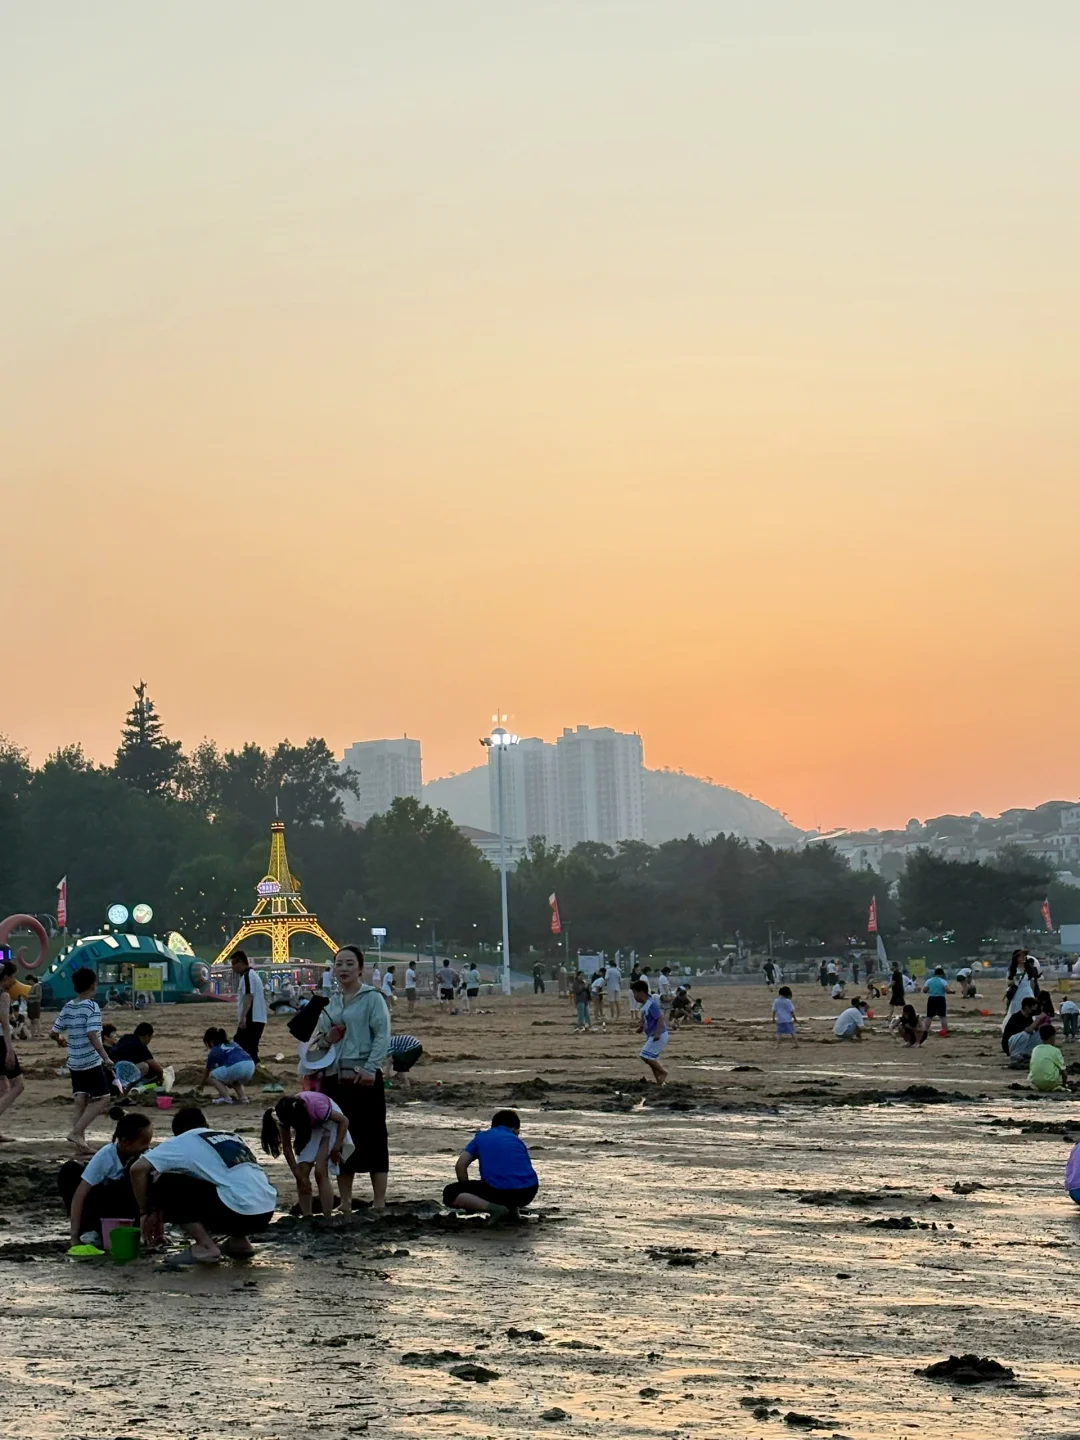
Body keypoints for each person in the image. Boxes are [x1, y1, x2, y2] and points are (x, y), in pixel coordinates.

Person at [130, 1106, 277, 1266]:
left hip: (237, 1212)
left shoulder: (183, 1140)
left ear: (180, 1131)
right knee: (225, 1181)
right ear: (205, 1125)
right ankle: (239, 1242)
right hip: (265, 1212)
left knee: (166, 1181)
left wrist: (145, 1211)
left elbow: (137, 1169)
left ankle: (205, 1246)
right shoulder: (231, 1136)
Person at [313, 945, 391, 1213]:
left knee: (374, 1137)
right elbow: (318, 1042)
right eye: (338, 964)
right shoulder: (331, 1003)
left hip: (365, 1077)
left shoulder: (372, 998)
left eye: (349, 963)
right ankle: (345, 1201)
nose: (343, 968)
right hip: (336, 1078)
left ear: (360, 968)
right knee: (342, 1139)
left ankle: (379, 1201)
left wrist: (372, 1068)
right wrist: (329, 1038)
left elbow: (382, 1035)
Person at [59, 1109, 154, 1247]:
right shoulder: (105, 1156)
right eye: (143, 1143)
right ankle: (91, 1230)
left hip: (130, 1209)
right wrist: (74, 1237)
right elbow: (80, 1195)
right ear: (125, 1142)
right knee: (70, 1170)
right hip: (102, 1208)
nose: (147, 1147)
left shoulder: (143, 1158)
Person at [51, 966, 115, 1153]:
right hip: (89, 1061)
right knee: (103, 1098)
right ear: (93, 985)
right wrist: (106, 1057)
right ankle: (77, 1132)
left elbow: (54, 1032)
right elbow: (92, 1034)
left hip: (74, 1061)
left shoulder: (69, 1006)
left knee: (81, 1099)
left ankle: (80, 1145)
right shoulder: (92, 1006)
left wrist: (60, 1040)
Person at [261, 1092, 352, 1218]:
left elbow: (344, 1121)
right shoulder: (285, 1115)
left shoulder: (318, 1108)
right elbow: (287, 1147)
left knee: (320, 1170)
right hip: (308, 1127)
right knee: (302, 1171)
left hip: (329, 1124)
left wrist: (336, 1148)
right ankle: (307, 1215)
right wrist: (298, 1176)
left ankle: (327, 1215)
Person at [442, 1109, 538, 1221]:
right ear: (515, 1130)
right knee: (509, 1180)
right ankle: (513, 1213)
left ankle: (494, 1208)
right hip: (529, 1191)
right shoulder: (517, 1141)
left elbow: (460, 1166)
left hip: (500, 1192)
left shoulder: (481, 1138)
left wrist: (466, 1192)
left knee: (450, 1193)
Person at [0, 963, 26, 1142]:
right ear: (5, 977)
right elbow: (4, 1022)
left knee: (3, 1088)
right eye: (13, 977)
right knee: (18, 1085)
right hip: (0, 1042)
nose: (14, 981)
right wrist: (9, 1048)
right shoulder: (3, 995)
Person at [200, 1027, 256, 1104]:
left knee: (212, 1076)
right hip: (250, 1065)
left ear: (211, 1041)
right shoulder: (234, 1044)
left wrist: (201, 1085)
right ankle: (243, 1098)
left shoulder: (214, 1050)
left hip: (236, 1067)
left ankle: (226, 1098)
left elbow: (207, 1070)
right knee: (235, 1080)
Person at [231, 950, 267, 1062]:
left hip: (252, 1017)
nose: (232, 967)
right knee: (249, 1047)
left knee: (241, 1045)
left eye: (233, 964)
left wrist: (243, 1017)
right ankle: (255, 1071)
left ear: (240, 962)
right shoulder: (251, 975)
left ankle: (253, 1071)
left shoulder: (248, 976)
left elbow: (248, 996)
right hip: (257, 1018)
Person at [632, 978, 669, 1084]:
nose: (634, 996)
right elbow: (646, 1019)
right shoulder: (644, 1005)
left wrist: (657, 1033)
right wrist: (641, 1027)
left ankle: (663, 1072)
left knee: (644, 1055)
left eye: (635, 993)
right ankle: (660, 1081)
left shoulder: (651, 1004)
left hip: (659, 1035)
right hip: (652, 1035)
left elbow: (660, 1018)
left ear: (642, 992)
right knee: (651, 1060)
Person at [1030, 1024, 1068, 1093]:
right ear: (1052, 1037)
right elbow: (1064, 1072)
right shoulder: (1055, 1051)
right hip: (1050, 1083)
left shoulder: (1035, 1049)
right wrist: (1064, 1084)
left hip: (1035, 1082)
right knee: (1058, 1066)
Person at [923, 967, 952, 1037]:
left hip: (931, 999)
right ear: (941, 974)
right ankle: (945, 1030)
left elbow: (924, 990)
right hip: (940, 999)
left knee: (929, 1016)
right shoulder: (943, 981)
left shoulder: (929, 981)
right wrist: (952, 991)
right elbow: (947, 990)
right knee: (942, 1016)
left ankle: (925, 1030)